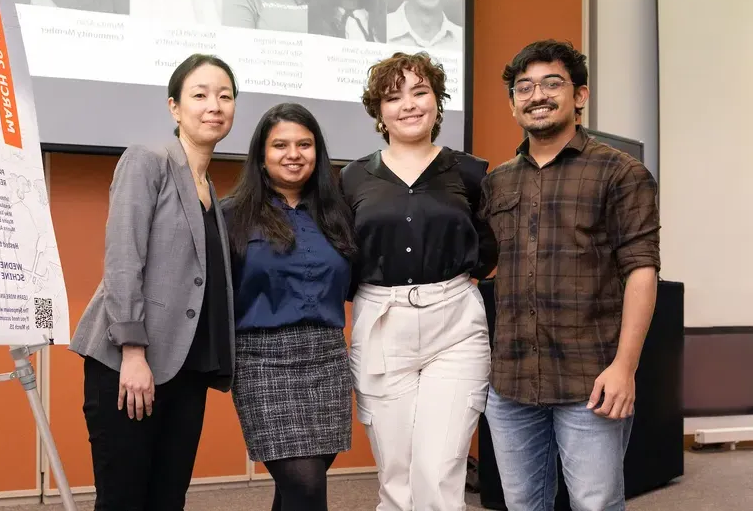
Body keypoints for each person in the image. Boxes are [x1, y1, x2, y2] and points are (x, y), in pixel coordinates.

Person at [481, 40, 660, 511]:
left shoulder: (621, 172)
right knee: (522, 505)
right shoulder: (498, 180)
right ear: (515, 104)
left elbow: (642, 269)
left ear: (579, 96)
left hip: (591, 380)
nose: (537, 95)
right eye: (524, 87)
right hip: (512, 382)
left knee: (595, 504)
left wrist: (625, 367)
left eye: (551, 83)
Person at [68, 53, 238, 511]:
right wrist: (133, 351)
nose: (213, 105)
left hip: (185, 371)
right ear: (174, 108)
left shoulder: (209, 188)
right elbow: (123, 259)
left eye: (224, 96)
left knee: (168, 500)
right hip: (130, 364)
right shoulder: (147, 160)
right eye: (199, 95)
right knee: (124, 500)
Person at [340, 52, 497, 511]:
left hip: (455, 327)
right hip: (382, 325)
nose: (408, 104)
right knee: (397, 477)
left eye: (420, 91)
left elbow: (489, 242)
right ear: (379, 111)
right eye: (393, 96)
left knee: (439, 469)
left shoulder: (469, 173)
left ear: (437, 101)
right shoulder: (352, 178)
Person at [222, 103, 357, 511]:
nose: (293, 153)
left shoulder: (338, 214)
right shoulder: (232, 214)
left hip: (327, 357)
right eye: (279, 145)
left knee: (298, 490)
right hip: (262, 361)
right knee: (306, 486)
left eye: (304, 144)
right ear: (261, 156)